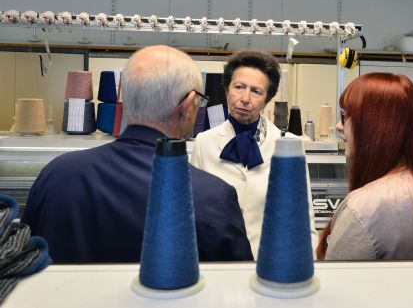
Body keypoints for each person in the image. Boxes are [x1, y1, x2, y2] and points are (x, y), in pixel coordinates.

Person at [22, 45, 253, 263]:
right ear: (188, 105)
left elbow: (22, 264)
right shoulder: (212, 197)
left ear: (125, 97)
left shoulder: (55, 174)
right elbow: (236, 289)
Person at [190, 49, 318, 259]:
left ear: (267, 98)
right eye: (239, 87)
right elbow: (194, 214)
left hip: (269, 264)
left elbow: (303, 222)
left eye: (256, 91)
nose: (245, 98)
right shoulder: (204, 142)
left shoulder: (289, 146)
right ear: (227, 89)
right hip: (218, 264)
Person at [316, 72, 413, 260]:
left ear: (374, 126)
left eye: (346, 116)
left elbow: (334, 282)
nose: (339, 125)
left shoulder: (364, 208)